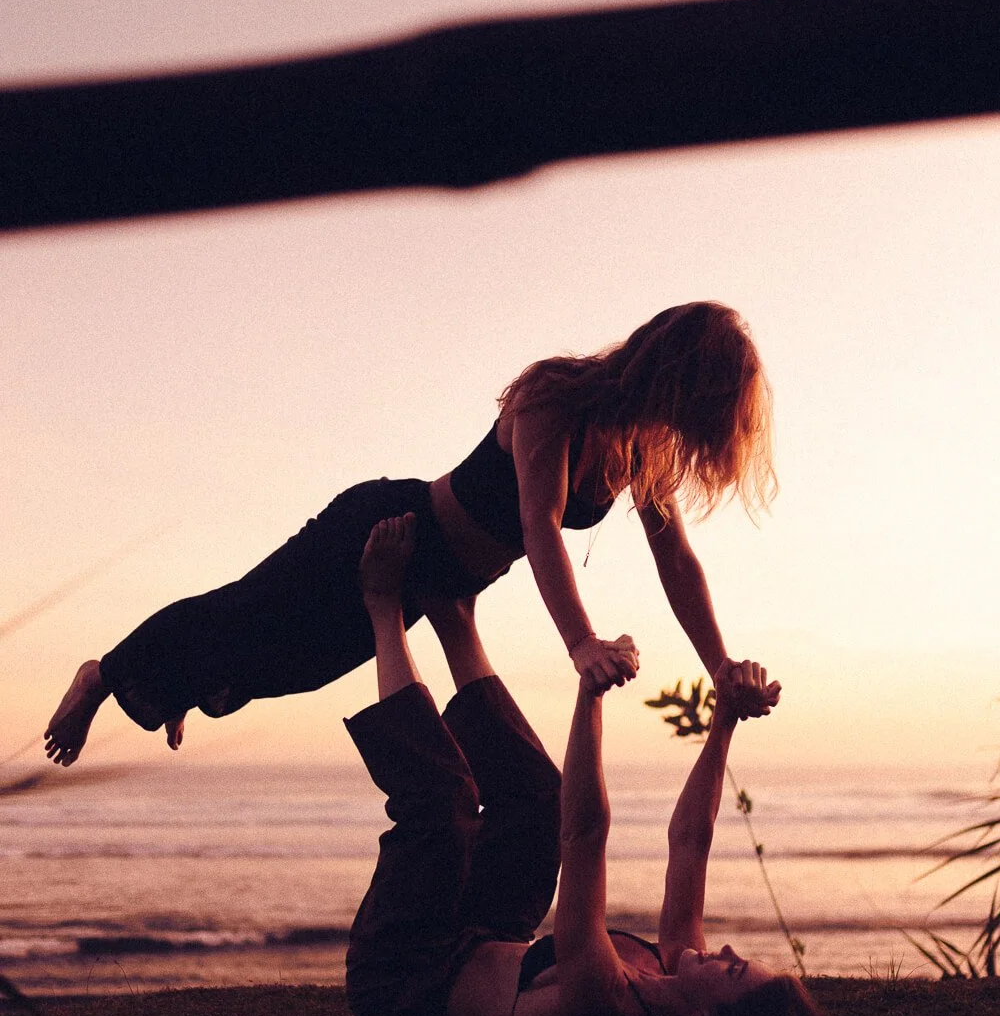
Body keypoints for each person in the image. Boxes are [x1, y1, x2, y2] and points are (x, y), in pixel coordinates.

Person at [44, 301, 775, 766]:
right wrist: (580, 642)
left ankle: (180, 681)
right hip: (383, 531)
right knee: (246, 610)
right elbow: (539, 524)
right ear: (675, 373)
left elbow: (675, 559)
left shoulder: (642, 453)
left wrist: (720, 666)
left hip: (438, 581)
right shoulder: (557, 395)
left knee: (298, 668)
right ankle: (101, 675)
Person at [345, 514, 824, 1016]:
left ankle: (384, 607)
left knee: (445, 809)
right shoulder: (675, 964)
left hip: (405, 977)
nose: (728, 951)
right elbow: (691, 842)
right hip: (482, 931)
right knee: (539, 802)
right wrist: (725, 723)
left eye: (734, 970)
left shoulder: (604, 1002)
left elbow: (586, 836)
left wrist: (590, 692)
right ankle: (454, 620)